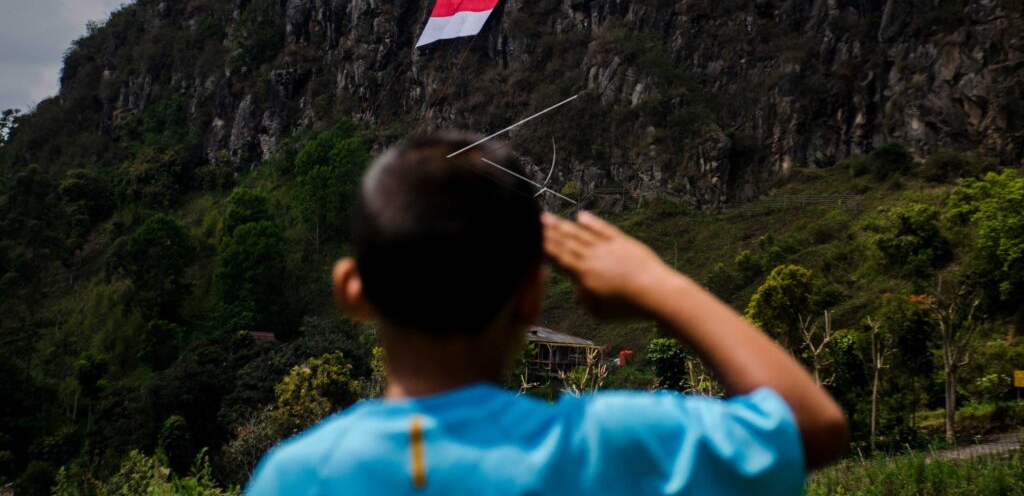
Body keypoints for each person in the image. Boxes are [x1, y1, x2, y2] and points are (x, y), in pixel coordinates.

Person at [246, 133, 848, 494]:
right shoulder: (610, 448)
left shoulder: (295, 478)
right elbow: (810, 427)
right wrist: (659, 283)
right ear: (532, 297)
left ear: (352, 290)